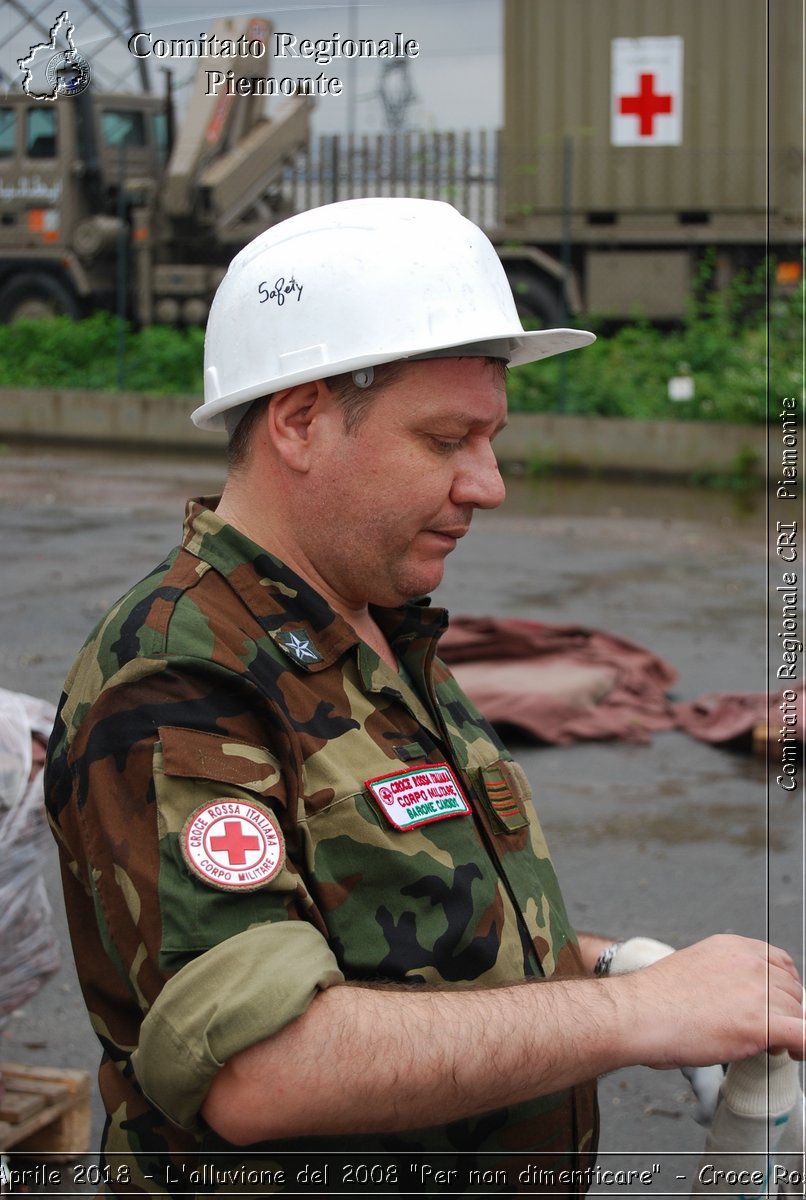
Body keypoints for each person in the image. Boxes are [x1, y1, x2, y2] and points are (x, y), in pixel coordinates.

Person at [45, 198, 804, 1197]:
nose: (487, 484)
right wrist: (634, 1018)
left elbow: (400, 928)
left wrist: (609, 964)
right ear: (301, 420)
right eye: (446, 440)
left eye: (487, 439)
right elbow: (257, 1067)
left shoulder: (370, 629)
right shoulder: (180, 677)